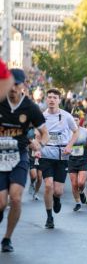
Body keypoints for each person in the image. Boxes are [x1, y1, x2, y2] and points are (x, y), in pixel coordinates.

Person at [0, 68, 48, 252]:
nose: (13, 88)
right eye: (10, 84)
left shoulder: (30, 107)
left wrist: (39, 144)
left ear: (23, 86)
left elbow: (45, 133)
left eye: (17, 84)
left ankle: (7, 239)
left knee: (16, 198)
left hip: (18, 156)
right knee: (2, 203)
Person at [39, 88, 79, 229]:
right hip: (46, 155)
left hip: (62, 156)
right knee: (48, 185)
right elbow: (38, 134)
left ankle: (56, 199)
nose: (51, 100)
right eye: (49, 97)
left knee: (58, 191)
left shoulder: (66, 116)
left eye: (54, 97)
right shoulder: (41, 116)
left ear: (59, 100)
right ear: (46, 99)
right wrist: (38, 148)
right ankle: (49, 217)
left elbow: (76, 131)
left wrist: (70, 145)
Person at [68, 115, 87, 211]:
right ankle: (78, 202)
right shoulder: (68, 131)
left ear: (79, 121)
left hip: (83, 160)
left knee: (81, 182)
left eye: (76, 120)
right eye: (73, 120)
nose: (75, 121)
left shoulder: (85, 131)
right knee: (74, 184)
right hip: (71, 160)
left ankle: (82, 192)